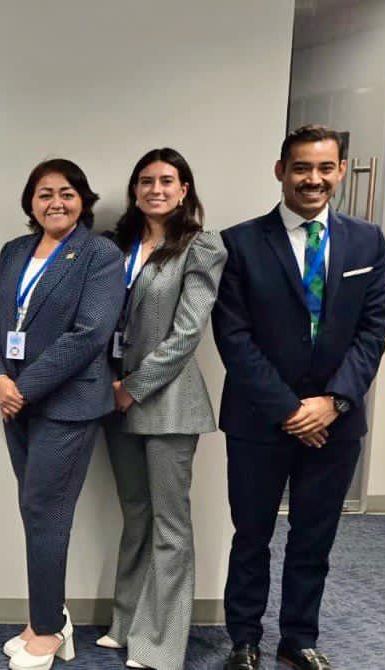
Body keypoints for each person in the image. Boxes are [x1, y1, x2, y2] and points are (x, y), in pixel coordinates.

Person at [213, 124, 385, 670]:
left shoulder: (367, 241)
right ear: (281, 171)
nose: (313, 179)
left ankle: (298, 639)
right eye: (302, 168)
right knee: (251, 536)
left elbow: (372, 332)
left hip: (337, 422)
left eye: (325, 168)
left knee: (314, 537)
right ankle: (244, 640)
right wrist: (291, 410)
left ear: (341, 171)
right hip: (259, 420)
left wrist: (332, 403)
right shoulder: (240, 243)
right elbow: (233, 337)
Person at [0, 159, 125, 670]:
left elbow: (90, 334)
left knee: (45, 511)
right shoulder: (14, 251)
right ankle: (47, 616)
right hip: (15, 403)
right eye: (44, 194)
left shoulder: (99, 254)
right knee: (35, 510)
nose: (55, 202)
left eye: (66, 193)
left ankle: (47, 630)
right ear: (30, 202)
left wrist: (23, 389)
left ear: (83, 200)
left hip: (67, 405)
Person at [98, 149, 227, 670]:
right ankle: (126, 622)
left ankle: (161, 644)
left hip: (167, 402)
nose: (156, 189)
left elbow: (187, 333)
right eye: (146, 181)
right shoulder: (118, 246)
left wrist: (134, 386)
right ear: (135, 190)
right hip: (114, 399)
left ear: (183, 189)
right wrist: (111, 387)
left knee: (170, 525)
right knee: (136, 514)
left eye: (167, 181)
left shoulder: (201, 246)